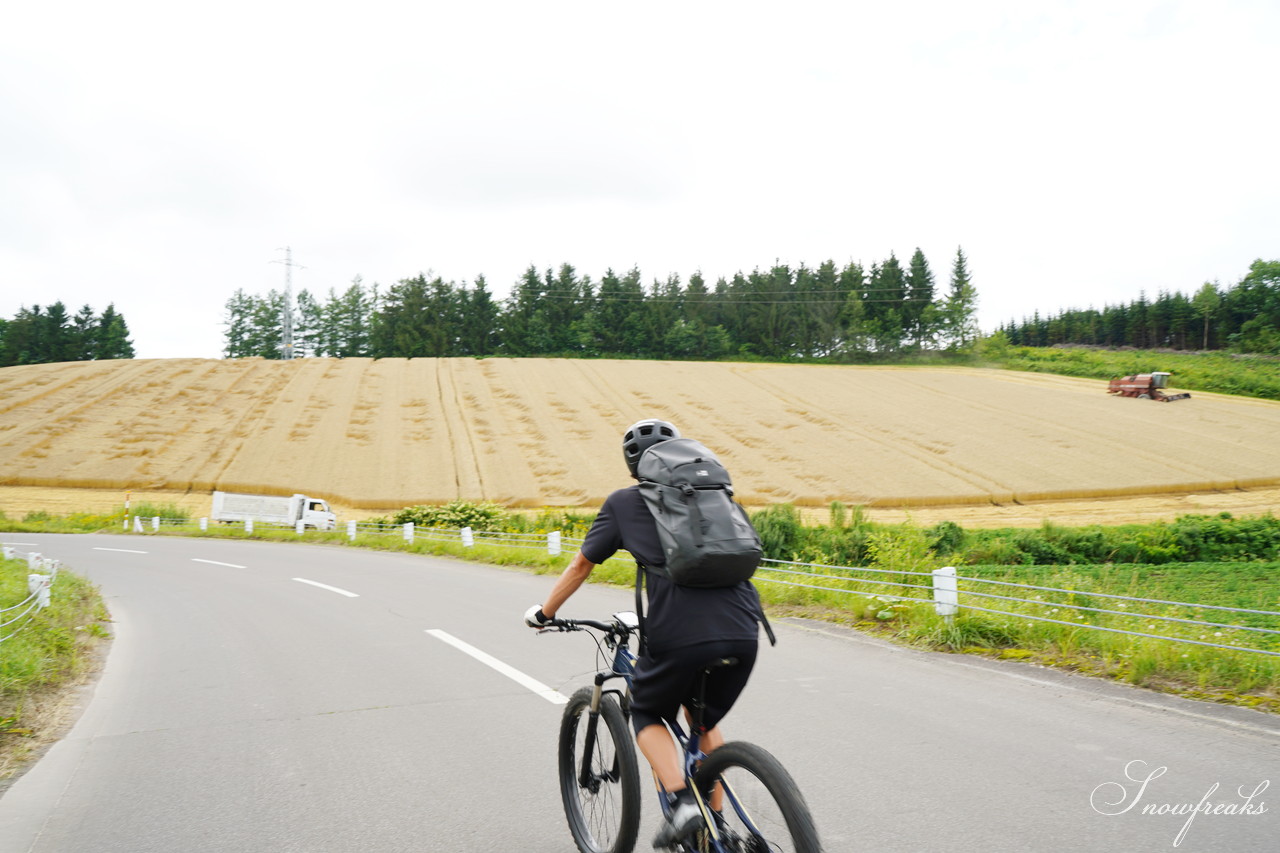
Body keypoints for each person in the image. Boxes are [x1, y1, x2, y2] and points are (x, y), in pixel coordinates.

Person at [525, 418, 766, 848]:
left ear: (634, 465)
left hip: (680, 630)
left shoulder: (623, 503)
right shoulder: (715, 498)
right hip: (745, 625)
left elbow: (581, 566)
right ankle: (717, 827)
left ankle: (684, 804)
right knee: (702, 716)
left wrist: (545, 613)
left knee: (647, 713)